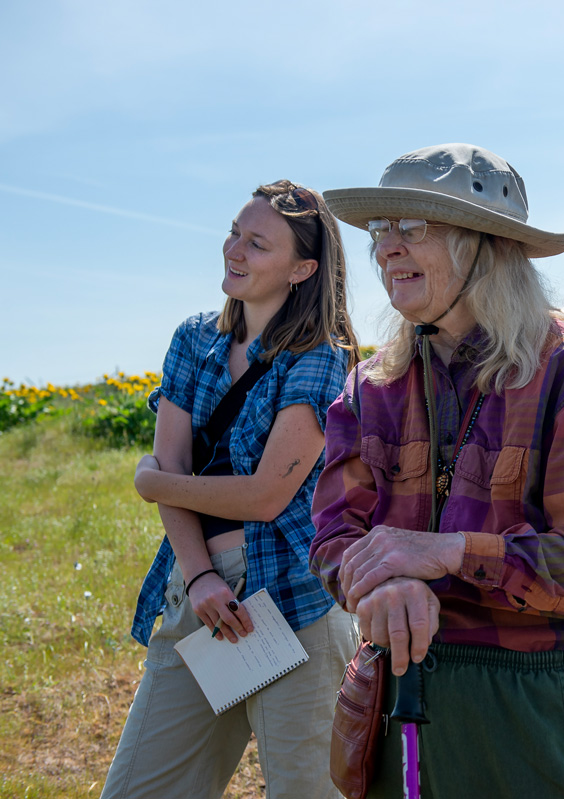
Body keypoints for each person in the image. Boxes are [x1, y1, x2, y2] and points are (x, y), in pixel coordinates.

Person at [310, 144, 564, 798]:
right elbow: (334, 532)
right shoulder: (370, 388)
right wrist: (378, 588)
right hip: (413, 701)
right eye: (381, 230)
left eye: (413, 226)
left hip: (558, 706)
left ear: (487, 244)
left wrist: (446, 553)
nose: (386, 247)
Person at [101, 180, 361, 799]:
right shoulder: (195, 338)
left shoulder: (321, 356)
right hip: (200, 591)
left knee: (306, 792)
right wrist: (198, 577)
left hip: (294, 602)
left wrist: (152, 482)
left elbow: (266, 496)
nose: (234, 250)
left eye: (257, 243)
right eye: (234, 233)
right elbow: (177, 460)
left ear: (302, 268)